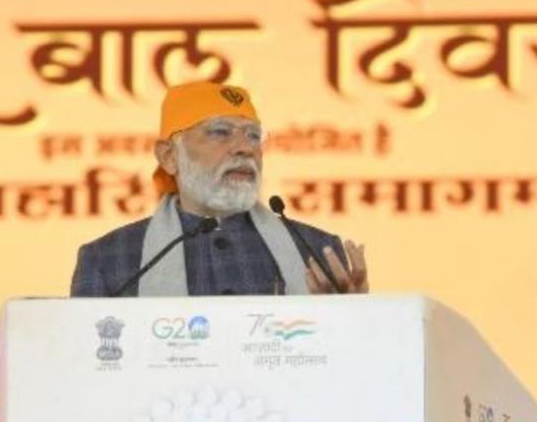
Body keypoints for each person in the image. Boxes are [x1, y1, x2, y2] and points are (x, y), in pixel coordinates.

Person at [71, 81, 368, 297]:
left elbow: (348, 359)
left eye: (254, 136)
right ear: (169, 156)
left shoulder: (317, 251)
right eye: (220, 132)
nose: (244, 148)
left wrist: (356, 319)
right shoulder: (108, 259)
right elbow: (85, 359)